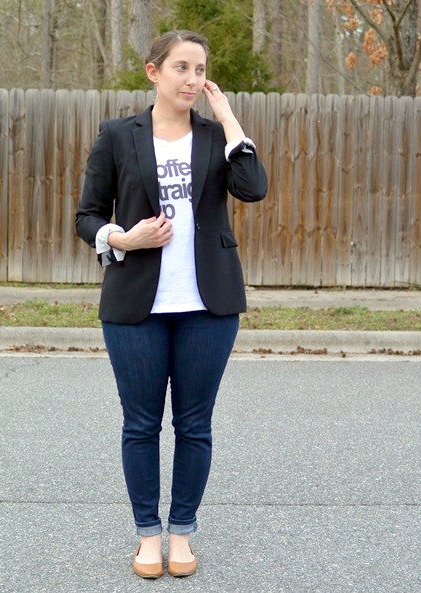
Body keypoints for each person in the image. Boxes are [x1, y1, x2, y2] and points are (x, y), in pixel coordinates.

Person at [75, 29, 267, 579]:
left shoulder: (215, 136)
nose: (192, 78)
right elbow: (87, 215)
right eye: (181, 67)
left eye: (200, 69)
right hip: (136, 303)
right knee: (140, 425)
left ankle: (181, 533)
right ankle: (147, 536)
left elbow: (253, 187)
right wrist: (123, 238)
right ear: (153, 71)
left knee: (194, 425)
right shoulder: (118, 135)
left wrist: (228, 119)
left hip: (209, 305)